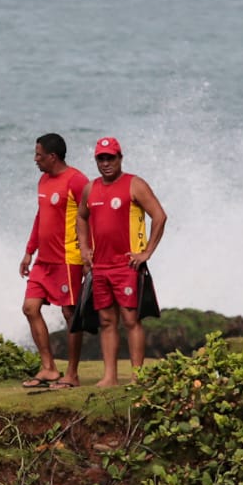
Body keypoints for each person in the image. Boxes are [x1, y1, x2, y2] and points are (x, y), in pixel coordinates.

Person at [76, 136, 167, 386]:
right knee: (106, 321)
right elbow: (81, 218)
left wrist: (146, 252)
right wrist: (85, 249)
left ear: (120, 158)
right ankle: (110, 376)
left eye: (110, 157)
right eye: (101, 158)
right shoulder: (90, 188)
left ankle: (137, 376)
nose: (105, 163)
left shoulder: (134, 184)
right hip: (101, 267)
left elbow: (159, 216)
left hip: (127, 266)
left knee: (130, 320)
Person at [18, 133, 90, 389]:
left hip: (68, 259)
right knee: (30, 308)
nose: (35, 159)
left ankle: (72, 374)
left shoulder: (77, 181)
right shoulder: (43, 180)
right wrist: (29, 251)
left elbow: (91, 216)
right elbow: (41, 217)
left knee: (69, 313)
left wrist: (89, 253)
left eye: (38, 155)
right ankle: (49, 368)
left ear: (52, 157)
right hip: (44, 261)